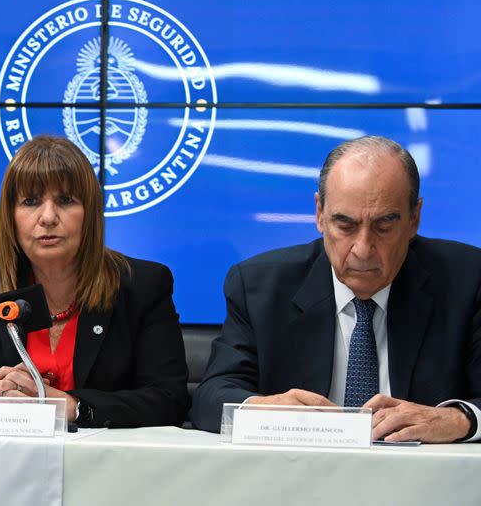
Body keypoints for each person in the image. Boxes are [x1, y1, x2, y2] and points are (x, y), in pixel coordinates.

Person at [191, 135, 481, 443]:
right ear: (319, 213)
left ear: (414, 218)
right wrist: (262, 409)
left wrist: (459, 419)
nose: (363, 249)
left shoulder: (466, 280)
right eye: (345, 225)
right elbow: (210, 398)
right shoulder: (260, 286)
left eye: (384, 227)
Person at [0, 135, 189, 427]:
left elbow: (170, 401)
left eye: (66, 200)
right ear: (11, 217)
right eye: (31, 201)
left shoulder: (142, 286)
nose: (48, 217)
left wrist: (70, 406)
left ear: (90, 214)